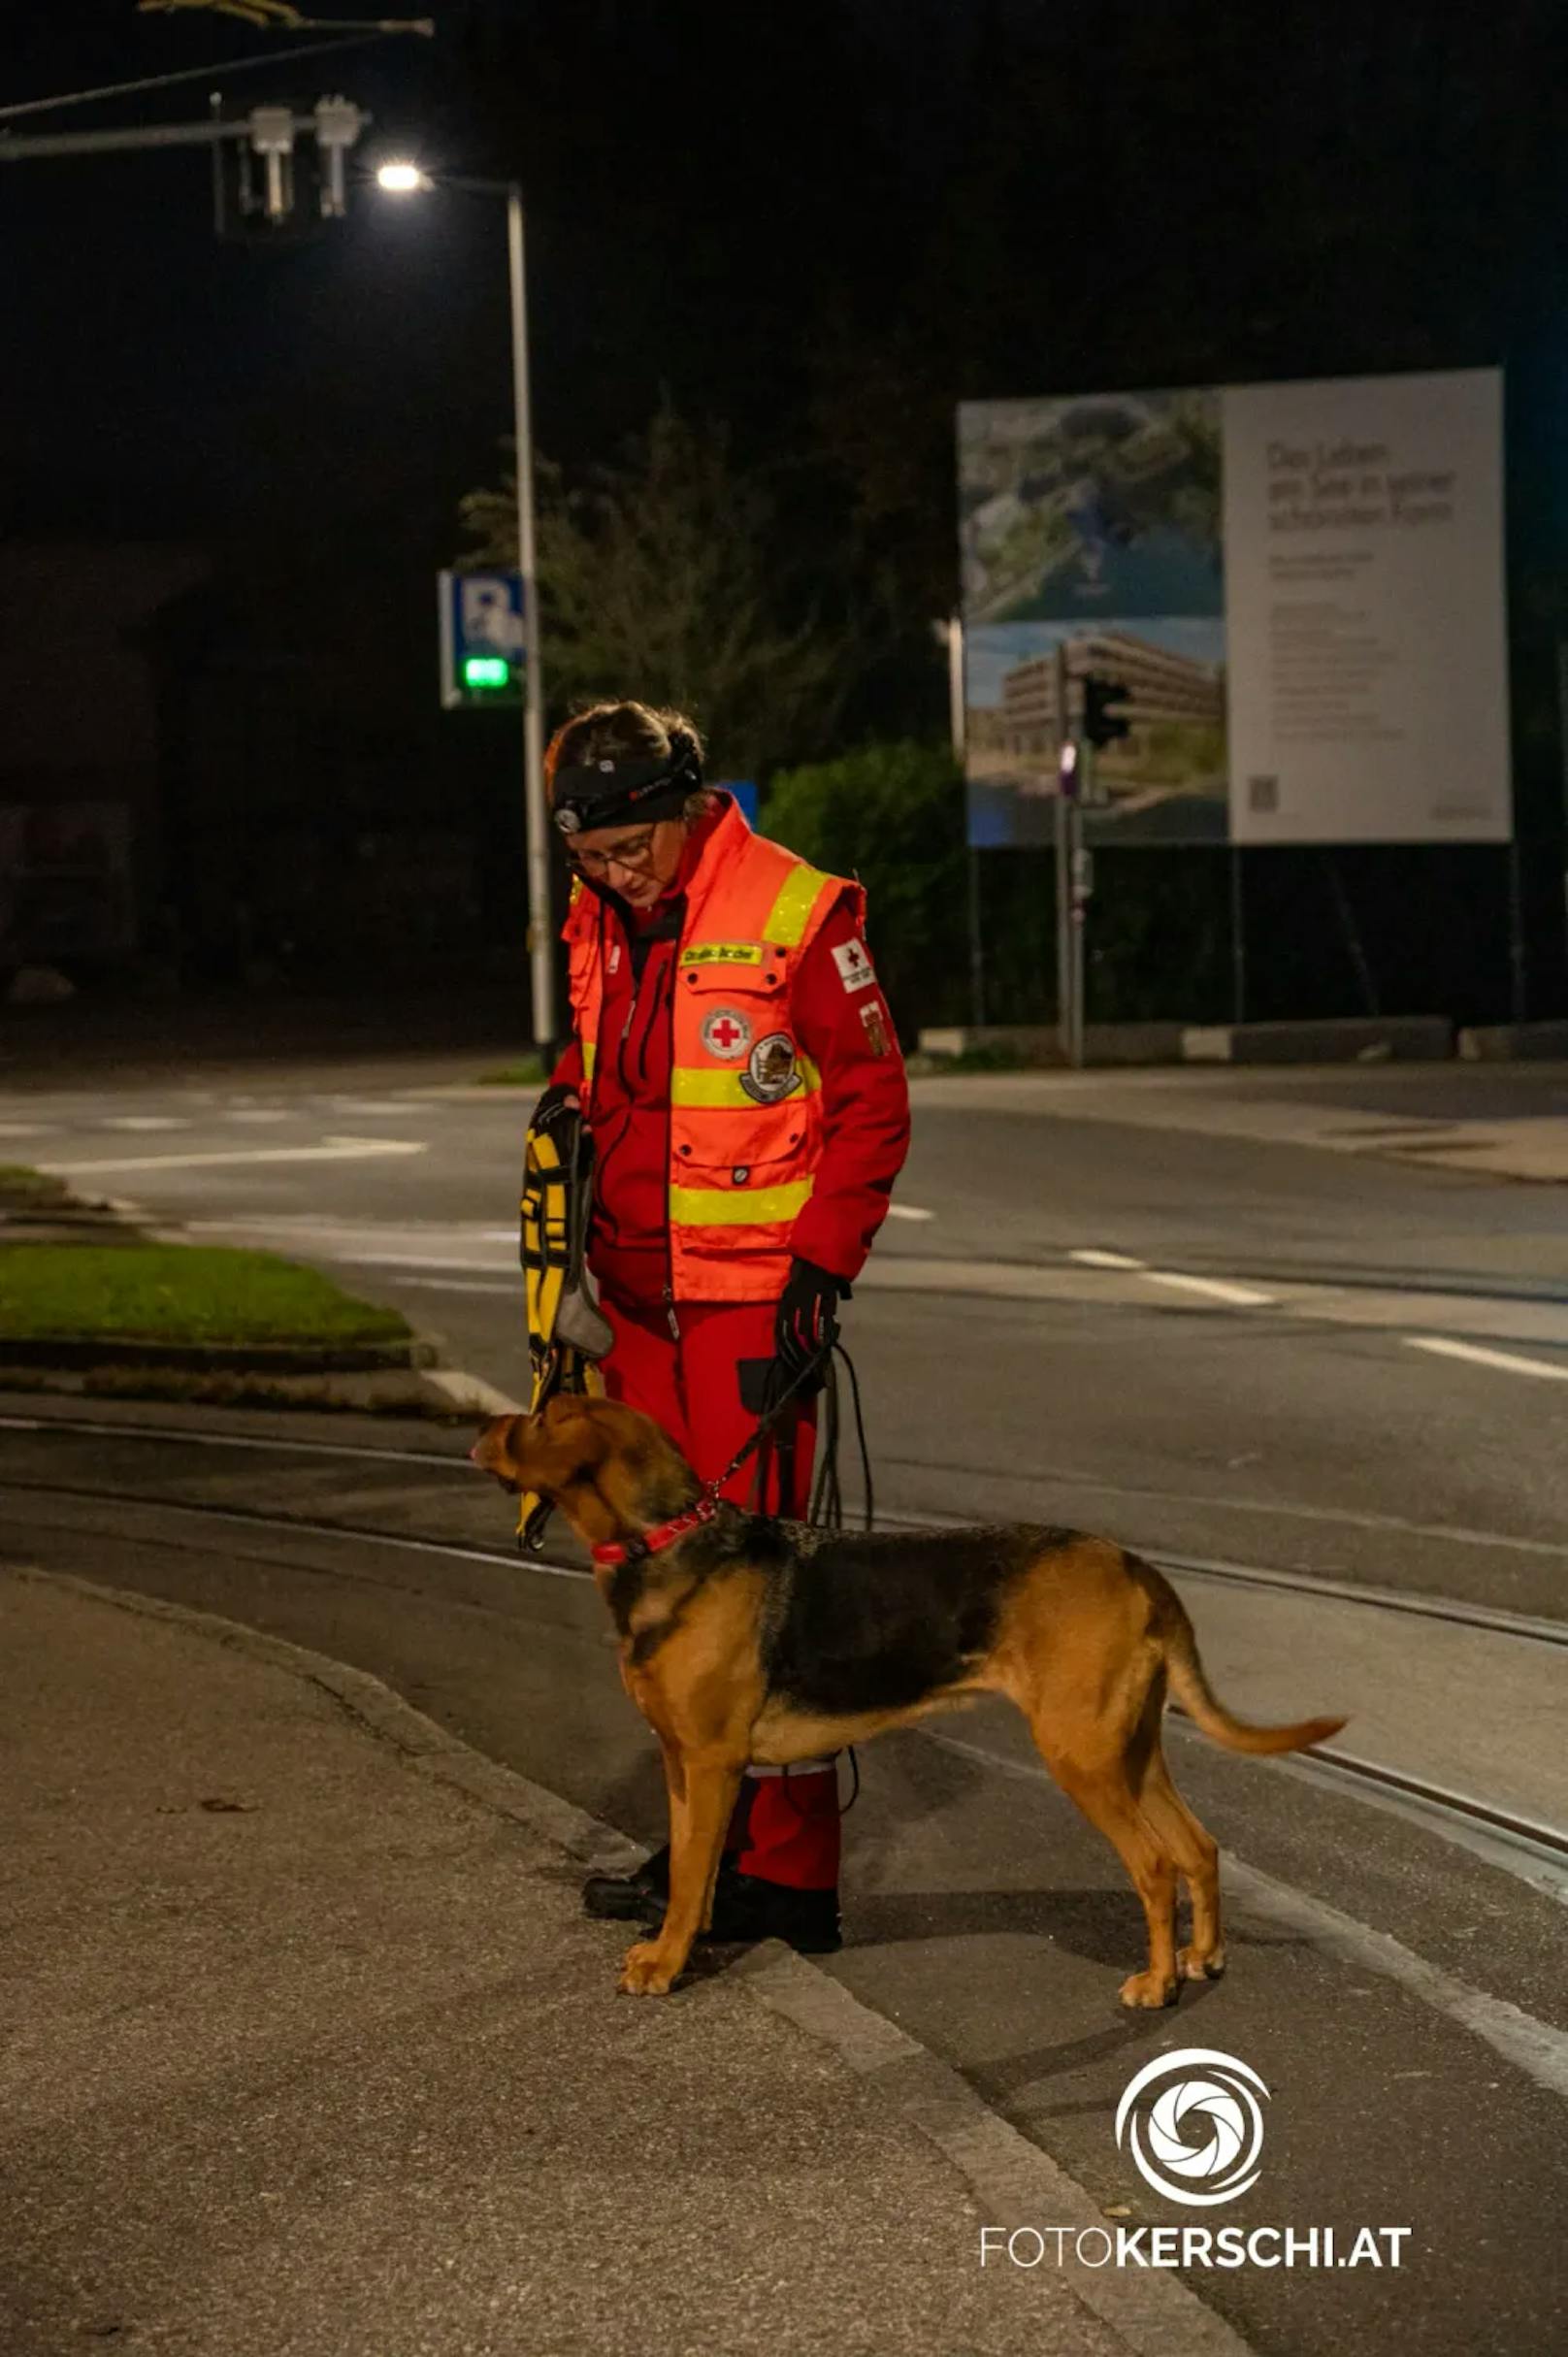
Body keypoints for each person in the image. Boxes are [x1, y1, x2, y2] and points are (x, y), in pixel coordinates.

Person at [539, 698, 910, 1953]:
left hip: (749, 1308)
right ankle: (706, 1844)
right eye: (589, 858)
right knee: (651, 1588)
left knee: (756, 1596)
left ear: (691, 810)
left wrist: (823, 1263)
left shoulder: (796, 911)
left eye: (629, 848)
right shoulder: (601, 919)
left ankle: (790, 1877)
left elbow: (871, 1099)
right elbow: (601, 1079)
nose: (613, 874)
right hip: (633, 1306)